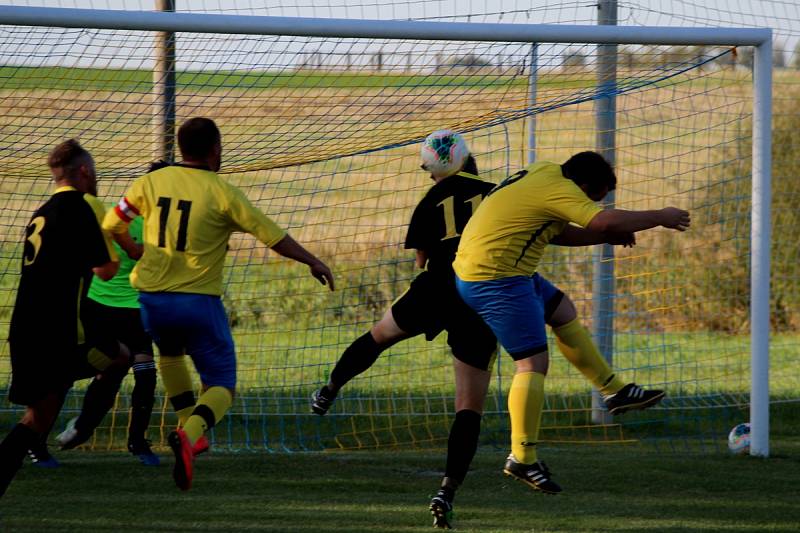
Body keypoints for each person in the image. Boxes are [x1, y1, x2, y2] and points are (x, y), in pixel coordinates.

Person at [102, 117, 335, 491]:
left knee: (171, 355)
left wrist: (133, 249)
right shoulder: (222, 192)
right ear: (215, 148)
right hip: (196, 301)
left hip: (151, 301)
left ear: (181, 147)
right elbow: (272, 236)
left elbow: (112, 224)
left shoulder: (149, 182)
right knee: (223, 385)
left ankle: (185, 427)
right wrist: (312, 260)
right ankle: (190, 433)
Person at [453, 151, 690, 495]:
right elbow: (603, 222)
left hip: (499, 269)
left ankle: (615, 391)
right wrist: (660, 216)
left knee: (562, 310)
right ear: (581, 184)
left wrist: (603, 236)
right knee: (532, 363)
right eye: (593, 197)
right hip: (496, 278)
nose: (591, 204)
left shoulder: (544, 173)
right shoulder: (560, 189)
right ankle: (523, 457)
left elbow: (556, 232)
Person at [309, 130, 498, 529]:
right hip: (481, 298)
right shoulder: (495, 195)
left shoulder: (431, 199)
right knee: (468, 407)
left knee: (378, 337)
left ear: (437, 168)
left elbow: (421, 260)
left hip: (438, 288)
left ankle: (331, 388)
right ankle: (447, 489)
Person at [0, 139, 130, 497]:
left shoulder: (41, 212)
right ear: (85, 171)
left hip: (25, 328)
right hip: (60, 332)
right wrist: (126, 251)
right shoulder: (79, 208)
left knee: (38, 416)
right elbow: (105, 269)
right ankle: (84, 427)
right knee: (120, 355)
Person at [55, 205, 160, 466]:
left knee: (146, 374)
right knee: (106, 370)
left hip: (137, 309)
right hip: (102, 308)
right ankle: (77, 428)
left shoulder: (167, 224)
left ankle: (137, 441)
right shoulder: (118, 219)